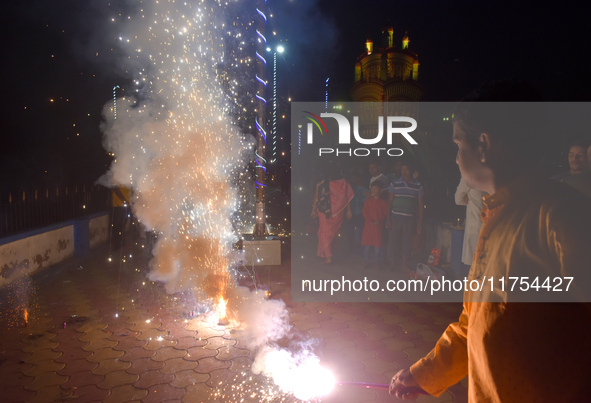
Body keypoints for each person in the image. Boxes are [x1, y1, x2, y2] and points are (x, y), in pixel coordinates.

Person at [389, 81, 591, 402]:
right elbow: (475, 325)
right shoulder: (497, 216)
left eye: (459, 145)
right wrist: (423, 375)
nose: (456, 158)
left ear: (483, 144)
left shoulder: (559, 215)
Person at [311, 163, 354, 264]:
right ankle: (322, 253)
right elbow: (347, 198)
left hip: (323, 211)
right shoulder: (343, 183)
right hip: (338, 212)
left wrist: (313, 209)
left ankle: (328, 256)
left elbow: (316, 197)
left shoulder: (321, 183)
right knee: (325, 233)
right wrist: (349, 211)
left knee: (323, 233)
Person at [386, 160, 423, 272]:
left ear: (410, 170)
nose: (404, 172)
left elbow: (420, 205)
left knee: (407, 241)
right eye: (402, 170)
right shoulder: (394, 184)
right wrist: (388, 219)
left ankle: (403, 264)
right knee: (393, 241)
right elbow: (390, 202)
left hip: (409, 218)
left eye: (406, 170)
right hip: (395, 217)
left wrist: (419, 222)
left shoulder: (418, 185)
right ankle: (392, 264)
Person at [454, 178, 486, 266]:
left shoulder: (469, 177)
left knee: (474, 267)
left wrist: (470, 200)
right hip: (489, 226)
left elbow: (458, 200)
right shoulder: (492, 175)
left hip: (474, 227)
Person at [361, 182, 388, 268]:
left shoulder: (383, 202)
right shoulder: (368, 201)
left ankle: (377, 262)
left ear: (380, 190)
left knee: (377, 246)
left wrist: (378, 220)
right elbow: (364, 212)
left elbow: (385, 213)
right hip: (368, 226)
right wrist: (370, 220)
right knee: (367, 246)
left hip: (378, 227)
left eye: (376, 188)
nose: (373, 190)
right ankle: (366, 261)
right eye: (372, 188)